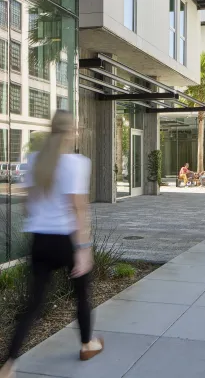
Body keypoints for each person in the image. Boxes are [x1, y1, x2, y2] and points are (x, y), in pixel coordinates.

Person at [0, 111, 103, 378]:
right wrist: (83, 249)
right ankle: (87, 345)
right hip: (66, 240)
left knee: (33, 304)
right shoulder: (78, 163)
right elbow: (79, 209)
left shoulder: (35, 160)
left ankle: (9, 364)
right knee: (81, 295)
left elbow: (27, 205)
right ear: (73, 132)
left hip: (40, 241)